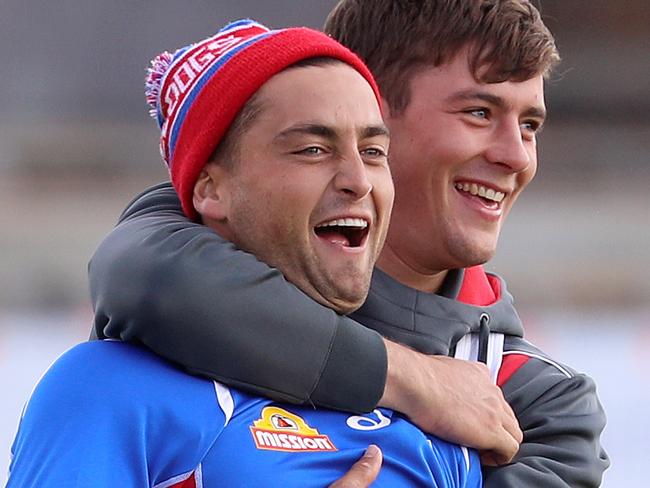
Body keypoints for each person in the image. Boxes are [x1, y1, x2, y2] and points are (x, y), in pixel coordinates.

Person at [88, 1, 609, 486]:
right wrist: (411, 378)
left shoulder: (538, 399)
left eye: (531, 125)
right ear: (365, 106)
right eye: (479, 113)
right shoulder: (191, 259)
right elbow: (142, 270)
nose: (516, 157)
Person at [8, 20, 482, 487]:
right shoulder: (109, 390)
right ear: (212, 190)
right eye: (314, 150)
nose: (358, 180)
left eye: (374, 151)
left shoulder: (440, 417)